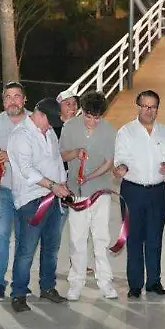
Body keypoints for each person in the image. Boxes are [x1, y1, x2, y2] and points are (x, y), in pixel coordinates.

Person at [7, 99, 72, 313]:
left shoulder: (49, 132)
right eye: (49, 121)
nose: (51, 126)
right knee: (26, 249)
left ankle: (47, 287)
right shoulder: (20, 136)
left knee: (51, 246)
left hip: (53, 197)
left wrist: (62, 184)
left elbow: (56, 161)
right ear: (40, 114)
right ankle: (18, 293)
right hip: (31, 200)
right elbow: (27, 170)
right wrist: (53, 186)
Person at [113, 90, 165, 298]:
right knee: (134, 238)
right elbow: (119, 158)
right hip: (132, 191)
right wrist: (121, 167)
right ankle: (135, 284)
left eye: (153, 106)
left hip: (157, 191)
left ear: (158, 109)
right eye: (145, 106)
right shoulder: (126, 131)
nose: (149, 110)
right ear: (138, 107)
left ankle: (154, 282)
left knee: (155, 237)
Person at [59, 91, 118, 300]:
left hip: (100, 191)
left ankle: (105, 282)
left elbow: (109, 162)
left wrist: (90, 177)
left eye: (97, 118)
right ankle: (76, 282)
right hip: (76, 193)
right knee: (77, 239)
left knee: (101, 237)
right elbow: (62, 154)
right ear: (82, 111)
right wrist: (76, 152)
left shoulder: (110, 131)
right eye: (88, 116)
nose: (92, 121)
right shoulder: (69, 127)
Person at [0, 81, 27, 301]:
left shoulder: (35, 122)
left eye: (17, 96)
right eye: (8, 97)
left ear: (24, 99)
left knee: (24, 238)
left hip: (28, 191)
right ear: (3, 101)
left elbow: (43, 156)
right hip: (1, 189)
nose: (12, 101)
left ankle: (20, 282)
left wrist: (13, 157)